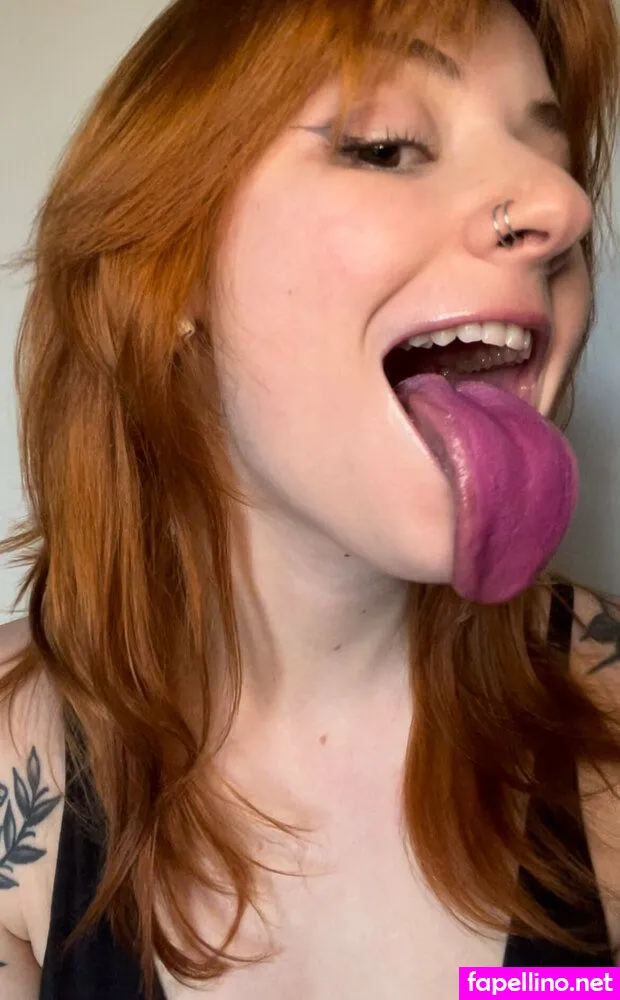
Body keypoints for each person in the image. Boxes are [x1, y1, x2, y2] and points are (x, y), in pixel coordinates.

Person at [0, 0, 619, 996]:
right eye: (387, 146)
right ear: (171, 272)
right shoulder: (12, 761)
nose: (562, 206)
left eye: (551, 157)